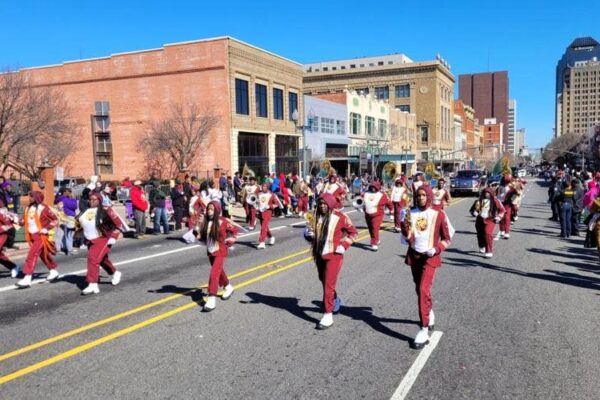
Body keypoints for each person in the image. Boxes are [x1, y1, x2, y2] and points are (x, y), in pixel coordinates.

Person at [401, 185, 453, 349]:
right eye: (418, 195)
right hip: (415, 255)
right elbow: (408, 237)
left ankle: (423, 330)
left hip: (430, 258)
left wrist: (436, 249)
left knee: (423, 290)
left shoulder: (438, 214)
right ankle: (428, 311)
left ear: (429, 196)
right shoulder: (411, 213)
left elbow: (447, 238)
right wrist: (404, 225)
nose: (421, 198)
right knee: (419, 289)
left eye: (424, 195)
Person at [304, 193, 358, 329]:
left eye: (325, 203)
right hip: (319, 254)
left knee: (328, 284)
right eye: (320, 203)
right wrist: (308, 234)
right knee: (323, 280)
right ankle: (334, 300)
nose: (322, 206)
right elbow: (311, 235)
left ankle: (328, 315)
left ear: (330, 203)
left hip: (334, 255)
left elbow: (354, 232)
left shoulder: (340, 217)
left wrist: (343, 246)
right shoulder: (314, 216)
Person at [77, 192, 126, 294]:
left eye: (94, 200)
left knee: (93, 258)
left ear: (99, 200)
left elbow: (118, 223)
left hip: (103, 238)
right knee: (102, 259)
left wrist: (114, 236)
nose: (92, 201)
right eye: (90, 199)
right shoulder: (86, 210)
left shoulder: (105, 209)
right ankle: (115, 272)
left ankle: (92, 284)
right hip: (91, 239)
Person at [199, 201, 239, 312]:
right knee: (219, 271)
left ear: (217, 209)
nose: (209, 211)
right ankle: (228, 287)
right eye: (208, 208)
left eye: (212, 209)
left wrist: (230, 240)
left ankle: (211, 298)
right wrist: (194, 233)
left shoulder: (223, 221)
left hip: (220, 250)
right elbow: (201, 237)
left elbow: (235, 231)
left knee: (214, 273)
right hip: (210, 250)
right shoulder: (205, 222)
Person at [16, 191, 60, 288]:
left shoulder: (43, 208)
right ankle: (53, 271)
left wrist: (46, 228)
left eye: (31, 197)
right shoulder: (28, 208)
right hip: (31, 236)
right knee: (43, 255)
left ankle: (27, 278)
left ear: (36, 198)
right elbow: (25, 220)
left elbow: (55, 219)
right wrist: (19, 221)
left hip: (41, 236)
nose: (29, 199)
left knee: (32, 255)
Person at [470, 188, 505, 258]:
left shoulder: (495, 201)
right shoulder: (478, 201)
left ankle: (489, 251)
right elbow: (472, 210)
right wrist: (474, 213)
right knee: (480, 234)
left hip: (490, 220)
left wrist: (498, 217)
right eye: (485, 192)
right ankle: (482, 246)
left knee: (488, 233)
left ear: (491, 193)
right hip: (479, 219)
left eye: (488, 193)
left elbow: (502, 210)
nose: (486, 194)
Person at [361, 181, 392, 251]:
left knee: (375, 228)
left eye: (374, 187)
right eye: (372, 187)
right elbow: (360, 200)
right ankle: (376, 240)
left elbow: (389, 202)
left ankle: (374, 243)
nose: (373, 188)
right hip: (367, 214)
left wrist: (392, 210)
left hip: (378, 215)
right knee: (371, 229)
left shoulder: (382, 194)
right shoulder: (366, 193)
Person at [54, 188, 78, 255]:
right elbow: (74, 206)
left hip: (62, 218)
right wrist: (73, 199)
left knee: (61, 233)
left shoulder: (60, 199)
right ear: (64, 192)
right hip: (67, 218)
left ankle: (61, 248)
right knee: (68, 234)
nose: (70, 193)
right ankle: (68, 249)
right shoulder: (65, 199)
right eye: (69, 192)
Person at [256, 182, 279, 249]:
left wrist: (269, 206)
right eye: (263, 186)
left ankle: (262, 242)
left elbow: (276, 204)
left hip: (268, 212)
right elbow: (256, 202)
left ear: (267, 187)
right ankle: (271, 237)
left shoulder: (271, 195)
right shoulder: (259, 194)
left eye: (265, 186)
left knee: (263, 227)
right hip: (260, 212)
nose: (264, 188)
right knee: (265, 227)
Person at [495, 175, 517, 240]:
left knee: (507, 218)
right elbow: (497, 195)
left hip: (507, 204)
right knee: (501, 217)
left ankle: (507, 232)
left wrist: (511, 200)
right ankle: (502, 230)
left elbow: (515, 194)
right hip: (500, 203)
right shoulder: (499, 187)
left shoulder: (511, 187)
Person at [0, 207, 19, 278]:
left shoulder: (2, 213)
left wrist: (10, 242)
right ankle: (13, 267)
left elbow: (10, 225)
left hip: (2, 235)